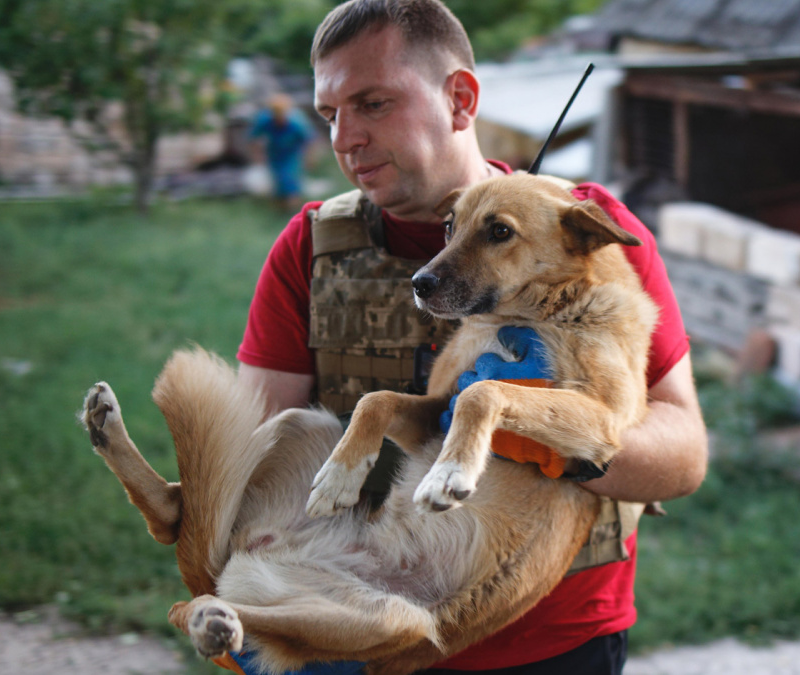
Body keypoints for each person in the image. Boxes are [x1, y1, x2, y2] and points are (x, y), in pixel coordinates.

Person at [235, 0, 709, 672]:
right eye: (330, 114)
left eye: (372, 103)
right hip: (361, 632)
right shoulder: (310, 250)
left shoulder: (587, 233)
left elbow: (683, 455)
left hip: (554, 644)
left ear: (460, 99)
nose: (345, 138)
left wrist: (549, 437)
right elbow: (255, 457)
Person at [250, 93, 316, 210]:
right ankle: (280, 209)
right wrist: (256, 156)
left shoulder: (297, 123)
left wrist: (308, 159)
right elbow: (253, 138)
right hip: (274, 153)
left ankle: (294, 210)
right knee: (277, 181)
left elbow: (309, 141)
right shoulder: (265, 119)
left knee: (291, 180)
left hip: (292, 153)